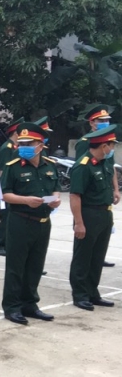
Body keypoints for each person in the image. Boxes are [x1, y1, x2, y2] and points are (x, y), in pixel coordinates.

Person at [0, 122, 60, 324]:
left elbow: (56, 188)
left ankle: (30, 304)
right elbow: (5, 195)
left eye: (29, 143)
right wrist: (25, 200)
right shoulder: (13, 167)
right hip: (20, 220)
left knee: (35, 265)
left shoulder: (49, 165)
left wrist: (55, 199)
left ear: (40, 146)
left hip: (43, 222)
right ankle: (12, 306)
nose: (23, 147)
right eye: (22, 143)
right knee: (16, 266)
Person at [70, 125, 117, 311]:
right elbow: (75, 196)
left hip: (104, 214)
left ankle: (92, 292)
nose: (112, 149)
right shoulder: (83, 166)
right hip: (88, 214)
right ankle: (80, 294)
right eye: (111, 145)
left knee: (97, 256)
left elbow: (111, 176)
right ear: (103, 146)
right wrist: (79, 223)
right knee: (83, 256)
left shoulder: (104, 162)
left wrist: (115, 191)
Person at [0, 118, 23, 257]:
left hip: (8, 186)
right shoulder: (7, 148)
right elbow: (3, 171)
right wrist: (5, 190)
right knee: (5, 216)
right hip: (2, 187)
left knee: (10, 215)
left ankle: (6, 243)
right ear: (16, 133)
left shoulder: (15, 147)